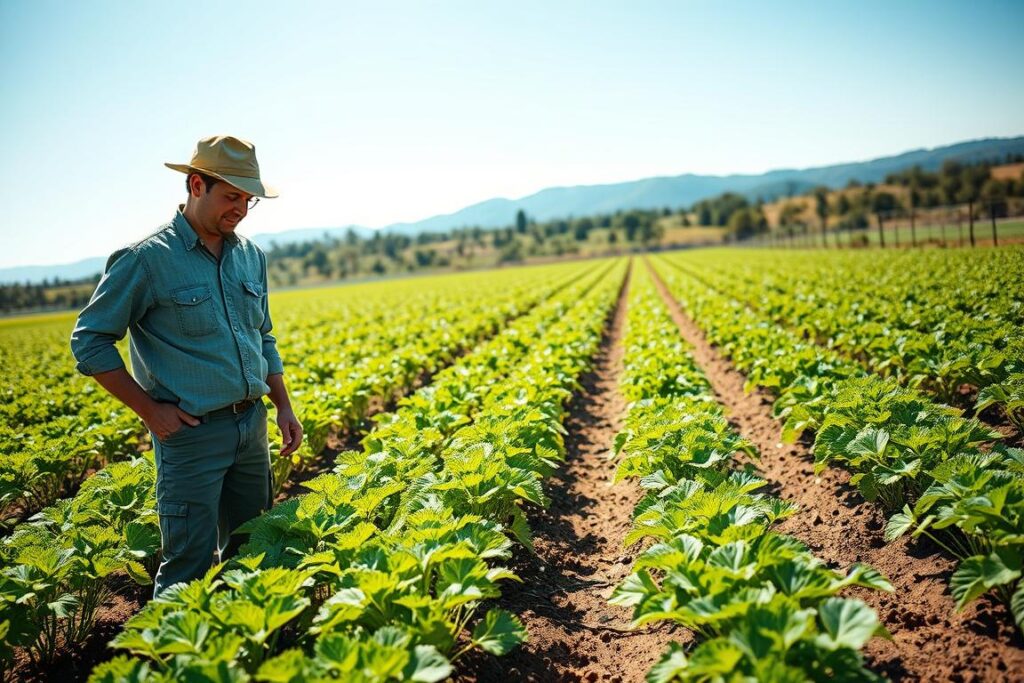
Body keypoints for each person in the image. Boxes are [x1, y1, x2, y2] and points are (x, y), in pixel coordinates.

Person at [70, 135, 303, 596]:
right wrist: (150, 411)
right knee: (188, 569)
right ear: (196, 185)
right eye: (231, 196)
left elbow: (263, 336)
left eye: (248, 199)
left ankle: (247, 655)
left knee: (256, 555)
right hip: (192, 437)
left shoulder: (250, 256)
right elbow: (90, 341)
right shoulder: (145, 260)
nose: (240, 208)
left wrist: (283, 406)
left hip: (251, 428)